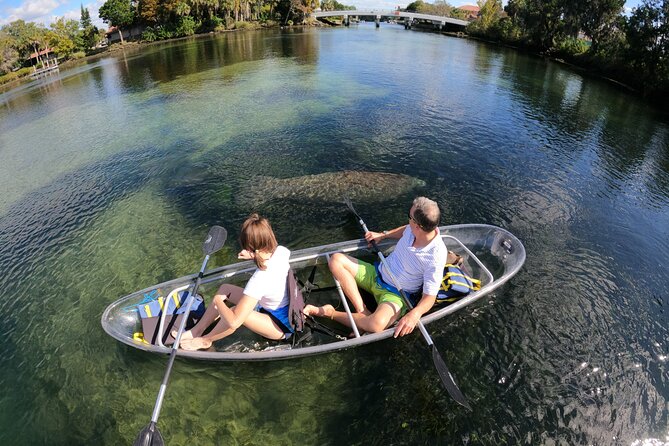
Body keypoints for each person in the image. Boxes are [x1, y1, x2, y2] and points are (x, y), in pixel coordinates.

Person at [303, 197, 447, 338]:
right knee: (336, 260)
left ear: (418, 226)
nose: (408, 220)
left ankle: (329, 312)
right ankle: (362, 312)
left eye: (409, 217)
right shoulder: (414, 228)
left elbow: (430, 297)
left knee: (376, 325)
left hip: (395, 294)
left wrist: (414, 314)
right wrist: (383, 235)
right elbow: (405, 229)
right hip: (377, 273)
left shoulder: (435, 256)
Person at [177, 214, 293, 351]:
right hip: (280, 307)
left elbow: (234, 322)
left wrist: (218, 302)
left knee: (232, 313)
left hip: (280, 325)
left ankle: (205, 340)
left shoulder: (259, 279)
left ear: (251, 247)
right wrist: (252, 255)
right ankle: (196, 330)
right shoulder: (282, 251)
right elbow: (265, 258)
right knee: (225, 289)